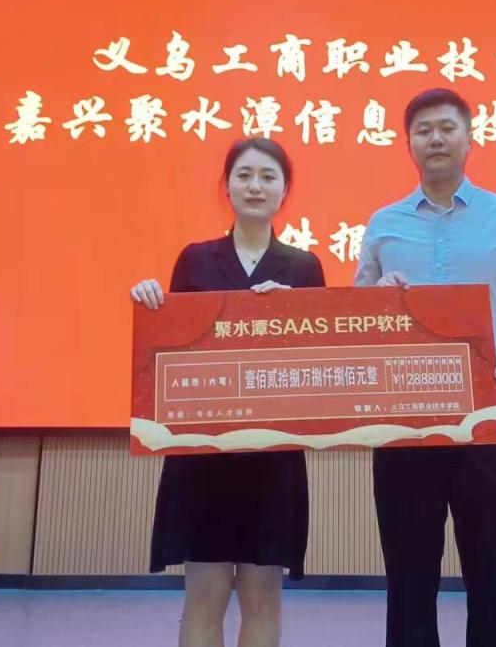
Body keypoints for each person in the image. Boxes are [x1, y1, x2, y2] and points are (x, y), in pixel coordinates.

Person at [354, 88, 496, 647]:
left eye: (447, 127)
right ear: (408, 143)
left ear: (470, 138)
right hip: (404, 419)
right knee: (408, 573)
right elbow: (357, 315)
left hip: (486, 411)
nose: (436, 138)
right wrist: (378, 295)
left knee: (491, 568)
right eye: (423, 130)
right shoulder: (384, 223)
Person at [130, 137, 325, 647]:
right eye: (244, 175)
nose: (255, 186)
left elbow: (319, 367)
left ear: (284, 189)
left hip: (273, 456)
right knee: (205, 596)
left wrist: (295, 315)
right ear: (228, 186)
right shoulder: (195, 260)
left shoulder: (304, 268)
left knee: (262, 597)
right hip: (203, 454)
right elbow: (173, 349)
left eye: (268, 176)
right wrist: (152, 301)